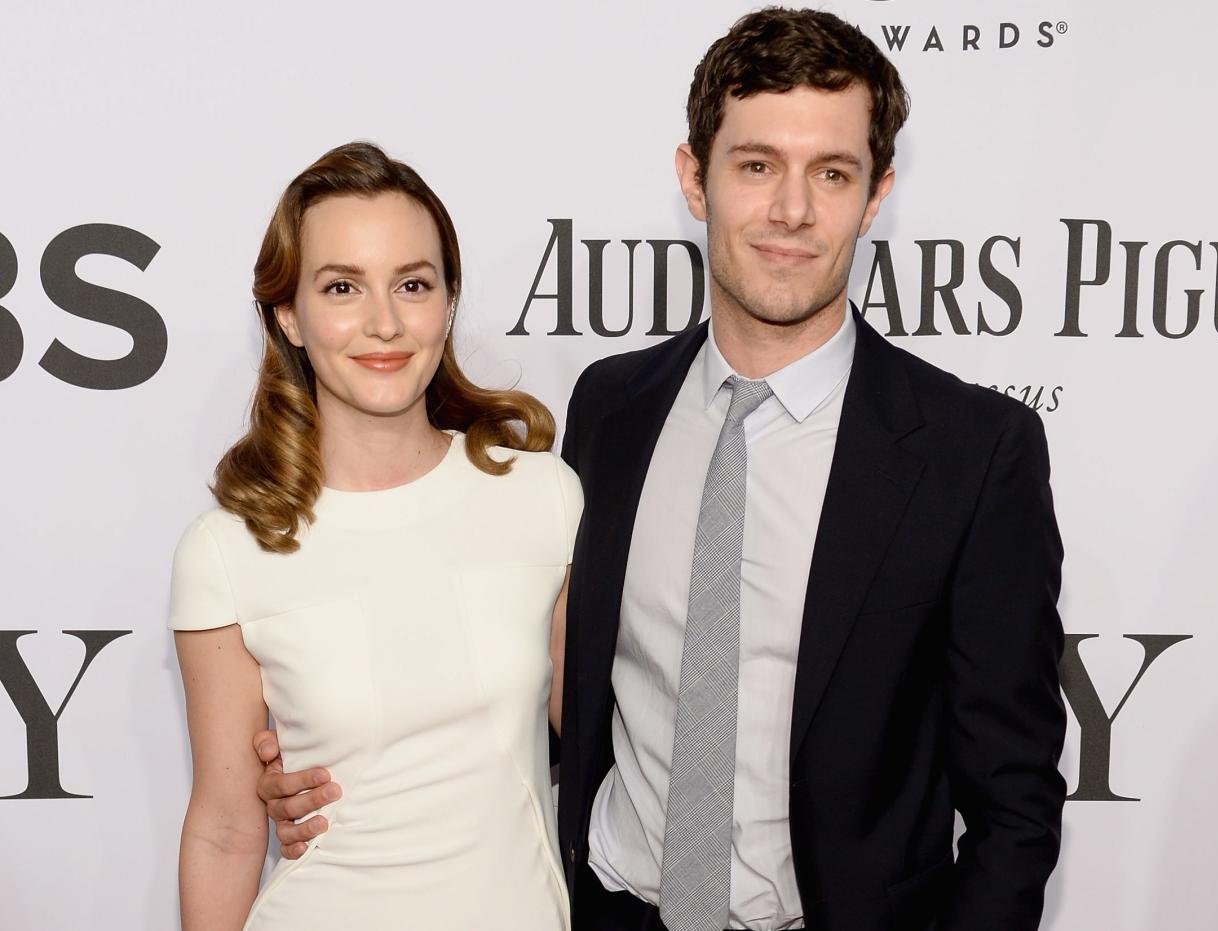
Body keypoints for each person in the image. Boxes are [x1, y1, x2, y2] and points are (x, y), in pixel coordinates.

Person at [258, 8, 1067, 931]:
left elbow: (1016, 801)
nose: (792, 210)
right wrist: (337, 758)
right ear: (695, 177)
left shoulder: (974, 450)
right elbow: (526, 668)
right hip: (609, 908)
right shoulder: (613, 410)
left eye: (831, 174)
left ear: (875, 194)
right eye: (756, 165)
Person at [169, 142, 581, 930]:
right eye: (342, 287)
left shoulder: (544, 499)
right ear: (288, 312)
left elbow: (607, 741)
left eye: (413, 284)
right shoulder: (227, 549)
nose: (384, 322)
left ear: (450, 300)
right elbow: (224, 829)